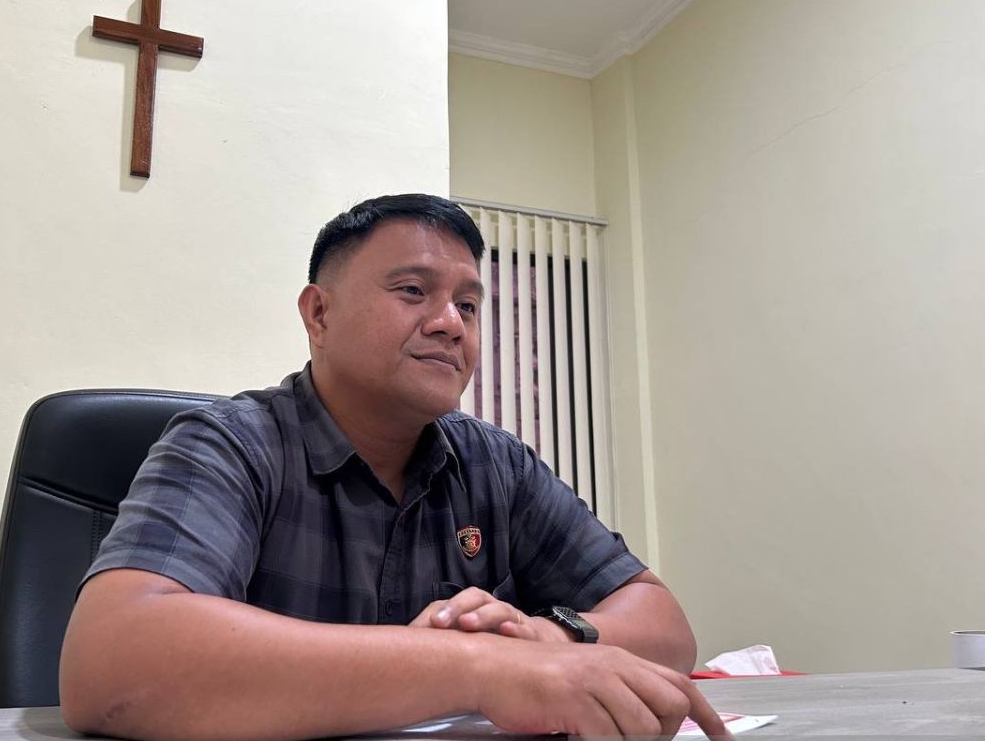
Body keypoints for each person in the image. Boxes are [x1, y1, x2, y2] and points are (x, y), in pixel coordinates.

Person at [60, 194, 728, 741]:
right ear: (319, 314)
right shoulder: (230, 443)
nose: (451, 324)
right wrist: (478, 665)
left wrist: (550, 636)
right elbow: (112, 661)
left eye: (469, 305)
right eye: (413, 290)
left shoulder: (496, 463)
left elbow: (665, 627)